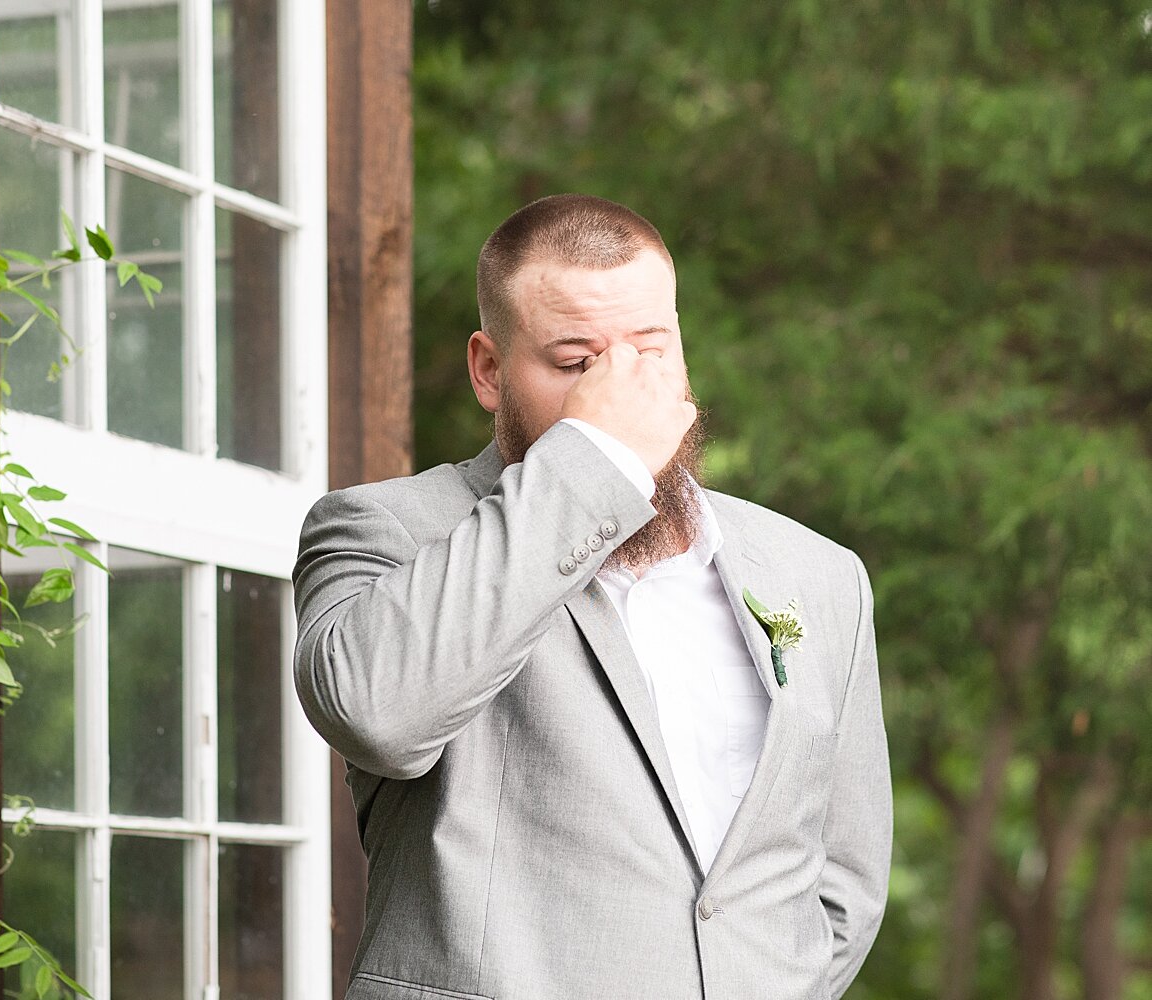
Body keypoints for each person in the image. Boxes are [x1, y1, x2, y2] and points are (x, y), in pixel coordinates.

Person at [292, 194, 891, 1000]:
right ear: (490, 370)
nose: (622, 390)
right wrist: (594, 460)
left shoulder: (818, 575)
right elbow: (380, 715)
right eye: (577, 363)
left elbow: (841, 884)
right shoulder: (386, 529)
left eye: (650, 349)